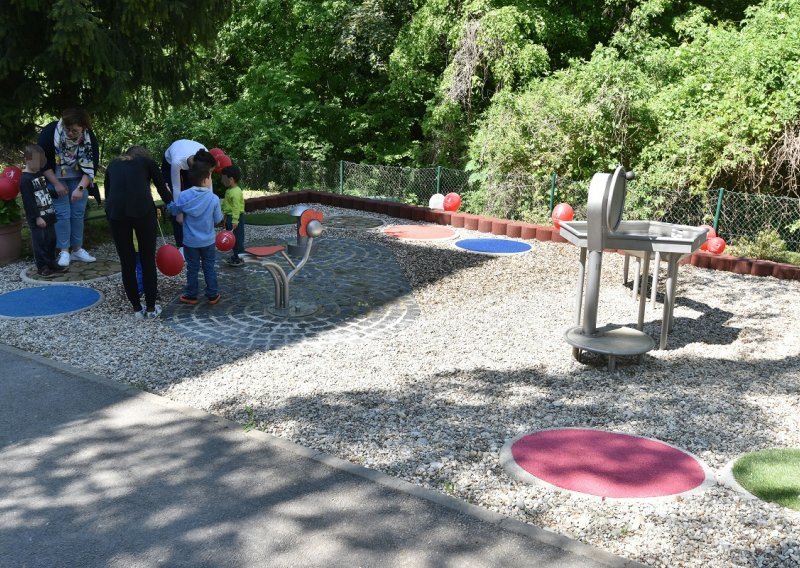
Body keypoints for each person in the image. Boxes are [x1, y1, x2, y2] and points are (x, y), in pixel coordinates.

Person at [104, 146, 173, 319]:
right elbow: (162, 189)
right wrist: (172, 206)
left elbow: (108, 191)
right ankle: (150, 308)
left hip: (116, 213)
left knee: (126, 263)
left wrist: (109, 213)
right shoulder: (148, 163)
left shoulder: (113, 165)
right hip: (142, 211)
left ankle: (136, 309)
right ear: (143, 156)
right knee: (147, 259)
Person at [37, 107, 100, 267]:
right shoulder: (50, 132)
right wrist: (56, 184)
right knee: (62, 214)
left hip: (79, 179)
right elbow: (42, 162)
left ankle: (77, 249)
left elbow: (92, 165)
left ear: (83, 128)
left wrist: (80, 188)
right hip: (55, 177)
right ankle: (64, 251)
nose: (70, 133)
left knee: (78, 213)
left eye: (75, 131)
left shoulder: (88, 137)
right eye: (68, 129)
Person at [167, 152, 223, 305]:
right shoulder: (213, 198)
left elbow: (174, 210)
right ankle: (212, 294)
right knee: (209, 267)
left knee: (192, 268)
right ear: (206, 180)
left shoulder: (184, 196)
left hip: (190, 241)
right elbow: (218, 219)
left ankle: (191, 295)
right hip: (208, 241)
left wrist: (169, 204)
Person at [19, 144, 67, 278]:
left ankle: (51, 262)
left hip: (49, 213)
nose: (40, 165)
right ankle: (42, 267)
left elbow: (43, 190)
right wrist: (37, 217)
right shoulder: (25, 179)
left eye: (41, 162)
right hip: (38, 217)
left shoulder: (39, 174)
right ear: (27, 160)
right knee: (40, 242)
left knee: (51, 240)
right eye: (37, 162)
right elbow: (28, 201)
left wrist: (55, 193)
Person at [162, 139, 207, 249]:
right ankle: (181, 245)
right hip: (169, 164)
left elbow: (208, 186)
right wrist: (179, 213)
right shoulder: (177, 161)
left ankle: (195, 239)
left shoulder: (206, 157)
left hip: (189, 160)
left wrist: (208, 205)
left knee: (193, 195)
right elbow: (176, 189)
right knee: (179, 202)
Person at [220, 164, 245, 266]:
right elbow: (227, 204)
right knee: (232, 238)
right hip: (230, 217)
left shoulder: (235, 192)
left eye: (224, 179)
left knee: (238, 238)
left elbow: (236, 207)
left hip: (236, 218)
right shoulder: (229, 190)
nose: (222, 181)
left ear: (231, 179)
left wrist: (235, 220)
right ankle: (236, 255)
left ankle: (240, 257)